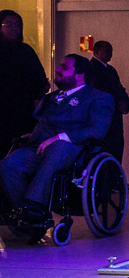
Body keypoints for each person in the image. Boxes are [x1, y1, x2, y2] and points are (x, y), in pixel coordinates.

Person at [0, 54, 113, 224]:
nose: (58, 70)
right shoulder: (51, 97)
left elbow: (97, 130)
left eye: (64, 68)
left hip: (75, 148)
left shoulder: (98, 98)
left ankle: (35, 206)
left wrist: (60, 137)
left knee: (58, 147)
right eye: (59, 66)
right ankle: (23, 212)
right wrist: (34, 136)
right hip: (40, 146)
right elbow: (44, 124)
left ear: (79, 76)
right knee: (9, 164)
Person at [0, 10, 49, 156]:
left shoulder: (25, 51)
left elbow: (39, 80)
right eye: (9, 24)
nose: (14, 28)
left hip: (24, 111)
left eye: (17, 25)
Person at [87, 40, 129, 162]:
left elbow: (120, 88)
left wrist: (126, 103)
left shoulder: (111, 70)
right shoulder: (91, 69)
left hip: (113, 116)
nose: (110, 54)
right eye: (107, 51)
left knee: (115, 148)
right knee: (107, 149)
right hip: (103, 116)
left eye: (111, 51)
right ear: (97, 51)